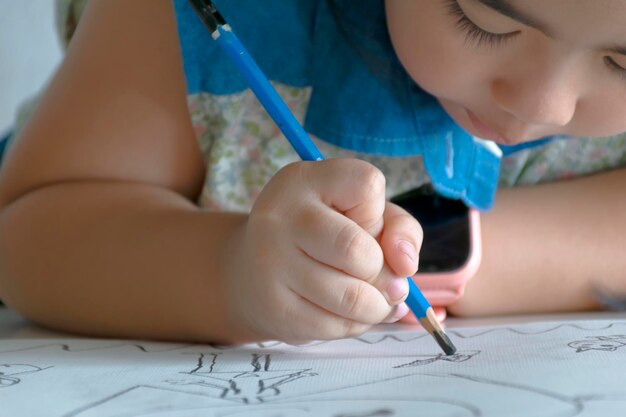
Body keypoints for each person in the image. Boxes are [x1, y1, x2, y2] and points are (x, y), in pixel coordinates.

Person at [0, 0, 625, 344]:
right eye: (484, 19)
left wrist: (445, 251)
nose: (542, 106)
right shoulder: (202, 14)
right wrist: (227, 273)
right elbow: (28, 231)